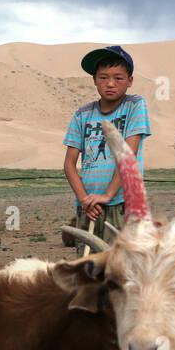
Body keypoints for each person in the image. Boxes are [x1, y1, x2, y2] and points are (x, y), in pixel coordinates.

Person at [63, 45, 150, 252]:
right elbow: (69, 163)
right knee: (87, 270)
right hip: (89, 206)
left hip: (123, 204)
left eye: (118, 78)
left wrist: (109, 194)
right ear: (94, 80)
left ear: (130, 81)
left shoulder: (135, 106)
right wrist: (84, 199)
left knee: (120, 267)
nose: (110, 83)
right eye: (103, 77)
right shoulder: (82, 114)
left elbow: (127, 156)